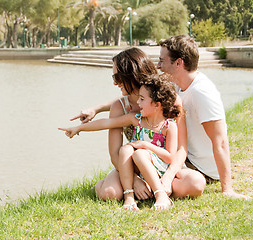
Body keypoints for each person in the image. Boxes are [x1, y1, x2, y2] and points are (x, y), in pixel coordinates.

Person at [71, 49, 204, 201]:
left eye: (117, 77)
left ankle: (157, 189)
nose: (114, 82)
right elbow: (115, 154)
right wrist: (135, 181)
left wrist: (168, 178)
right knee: (110, 193)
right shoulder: (120, 107)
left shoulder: (169, 100)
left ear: (131, 75)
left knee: (196, 184)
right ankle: (117, 185)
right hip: (132, 166)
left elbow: (181, 148)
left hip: (163, 165)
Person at [60, 74, 180, 210]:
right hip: (135, 168)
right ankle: (129, 198)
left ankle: (161, 195)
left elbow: (170, 156)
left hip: (157, 168)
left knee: (139, 153)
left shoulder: (169, 126)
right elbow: (107, 123)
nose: (138, 103)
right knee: (126, 149)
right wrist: (79, 128)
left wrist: (145, 145)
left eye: (142, 99)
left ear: (157, 105)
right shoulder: (136, 119)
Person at [157, 35, 250, 199]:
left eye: (162, 61)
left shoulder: (202, 92)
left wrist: (227, 189)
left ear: (179, 63)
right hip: (184, 156)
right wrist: (99, 109)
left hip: (199, 167)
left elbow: (220, 141)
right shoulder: (176, 85)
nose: (158, 66)